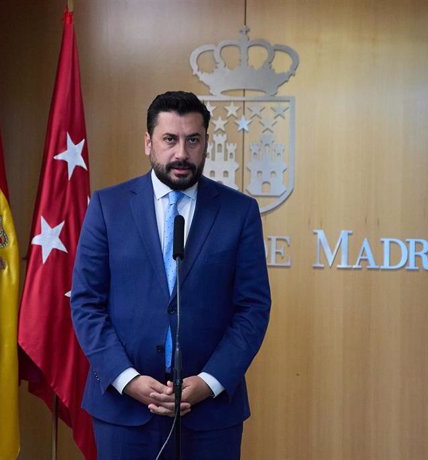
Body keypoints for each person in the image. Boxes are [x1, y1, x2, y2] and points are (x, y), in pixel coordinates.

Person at [70, 91, 271, 459]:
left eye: (193, 140)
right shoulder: (107, 206)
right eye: (170, 139)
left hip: (210, 413)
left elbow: (253, 309)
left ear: (206, 142)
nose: (182, 153)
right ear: (149, 142)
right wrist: (127, 379)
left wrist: (208, 383)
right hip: (124, 411)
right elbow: (86, 303)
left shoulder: (238, 212)